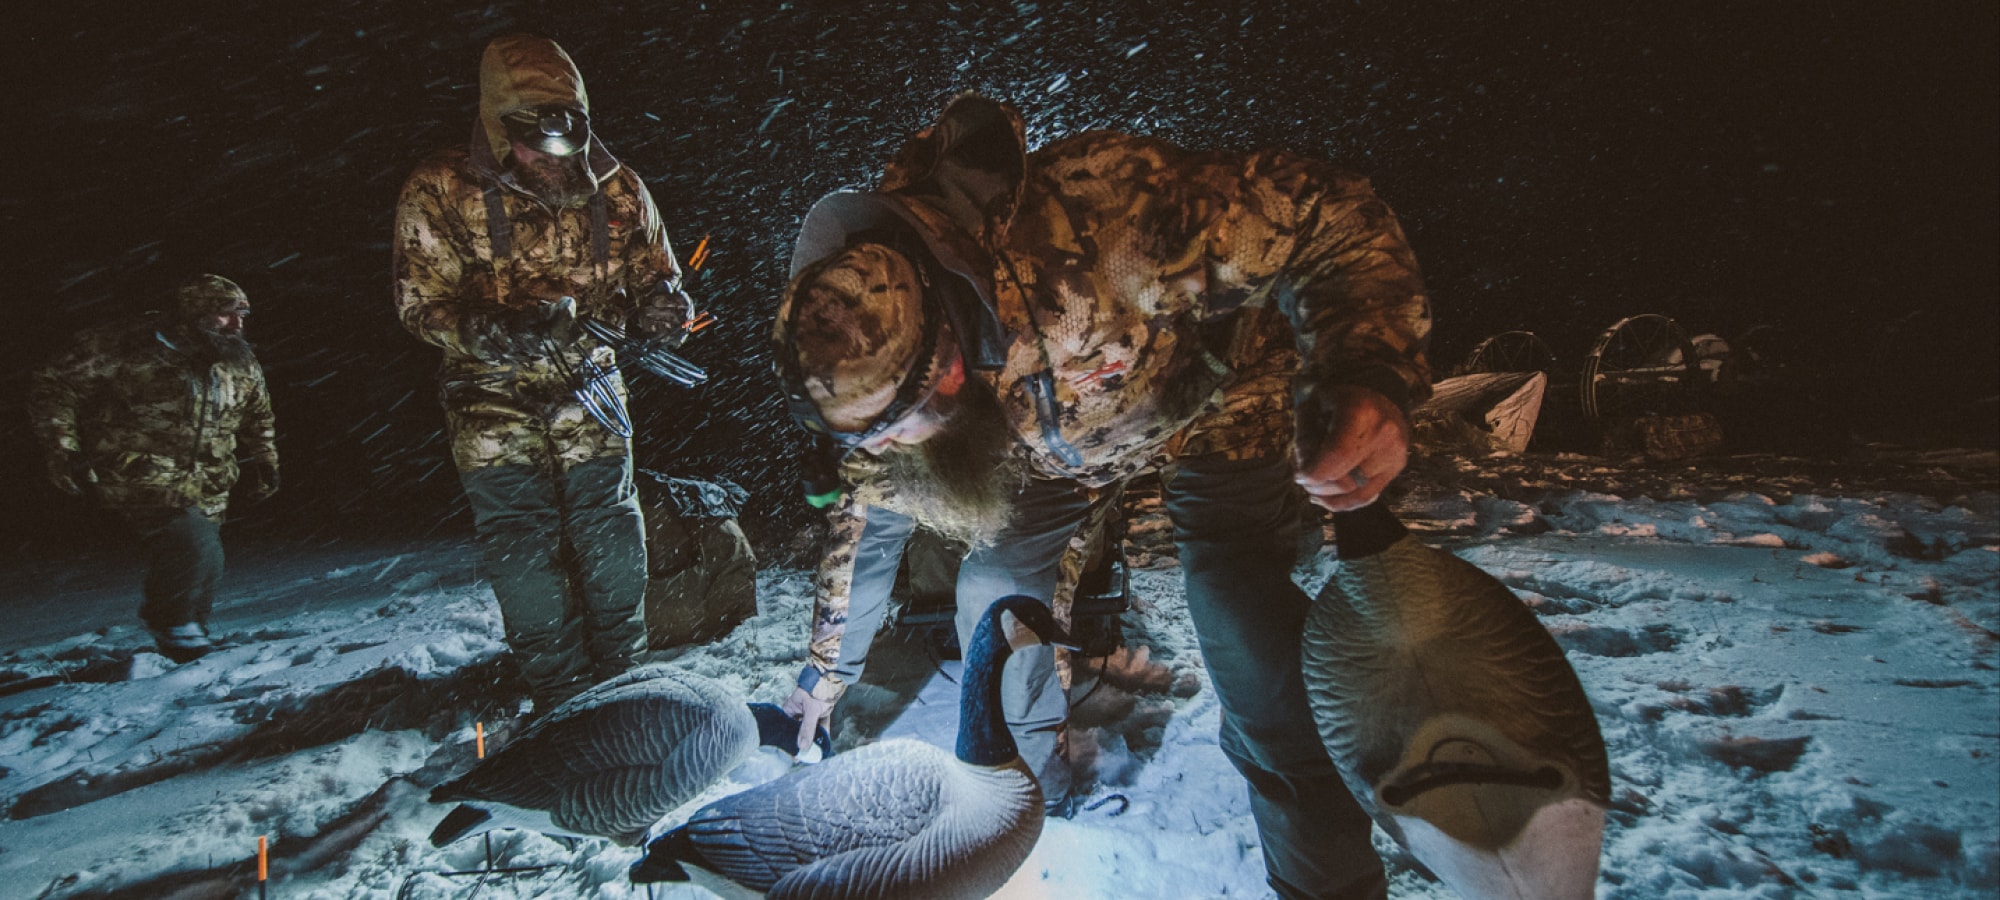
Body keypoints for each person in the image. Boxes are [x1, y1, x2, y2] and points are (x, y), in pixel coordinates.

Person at [773, 95, 1430, 899]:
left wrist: (1366, 369)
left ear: (946, 371)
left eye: (889, 431)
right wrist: (823, 674)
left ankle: (1326, 883)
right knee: (992, 598)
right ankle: (1025, 782)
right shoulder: (871, 367)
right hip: (1063, 459)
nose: (874, 452)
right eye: (857, 438)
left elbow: (1329, 216)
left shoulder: (1107, 224)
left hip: (1220, 398)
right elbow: (865, 523)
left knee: (1242, 626)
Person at [393, 34, 693, 708]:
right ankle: (559, 692)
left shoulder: (619, 188)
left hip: (590, 387)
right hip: (490, 397)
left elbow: (658, 277)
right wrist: (498, 328)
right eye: (533, 143)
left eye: (568, 139)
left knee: (611, 525)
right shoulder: (441, 188)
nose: (553, 159)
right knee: (521, 543)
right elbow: (421, 305)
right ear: (501, 132)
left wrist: (661, 310)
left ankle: (624, 676)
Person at [28, 274, 279, 663]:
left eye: (242, 314)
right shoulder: (125, 347)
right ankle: (173, 624)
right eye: (224, 314)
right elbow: (54, 385)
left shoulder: (237, 361)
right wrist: (64, 449)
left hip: (208, 476)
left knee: (210, 559)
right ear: (193, 314)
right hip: (138, 468)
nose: (237, 324)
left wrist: (265, 459)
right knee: (191, 540)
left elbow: (257, 413)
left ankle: (188, 636)